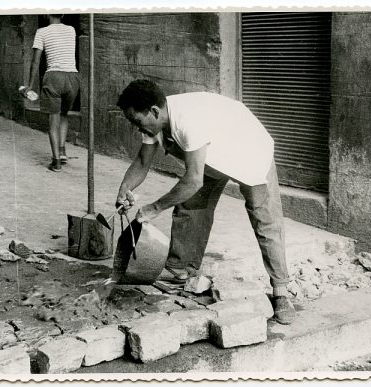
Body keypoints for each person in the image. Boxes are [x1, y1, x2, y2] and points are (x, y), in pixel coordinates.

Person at [114, 79, 296, 325]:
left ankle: (281, 292)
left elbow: (192, 180)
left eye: (137, 121)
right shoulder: (154, 124)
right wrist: (125, 188)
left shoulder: (188, 121)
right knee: (190, 206)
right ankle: (181, 271)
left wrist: (154, 208)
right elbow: (142, 162)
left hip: (248, 149)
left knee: (264, 219)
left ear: (154, 112)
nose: (138, 129)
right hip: (211, 154)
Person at [22, 14, 80, 172]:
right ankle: (62, 151)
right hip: (73, 77)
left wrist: (29, 85)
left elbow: (36, 61)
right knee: (64, 114)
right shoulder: (71, 30)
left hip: (54, 77)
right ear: (62, 14)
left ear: (46, 13)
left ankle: (56, 162)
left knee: (52, 121)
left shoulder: (42, 32)